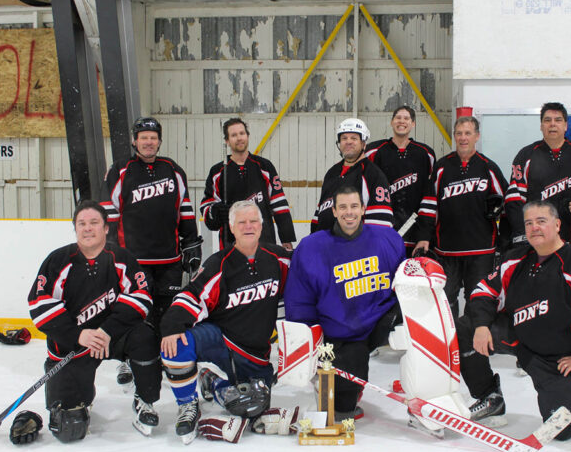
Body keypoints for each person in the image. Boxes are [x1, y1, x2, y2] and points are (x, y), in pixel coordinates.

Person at [457, 200, 571, 440]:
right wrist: (481, 326)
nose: (534, 228)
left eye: (541, 221)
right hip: (520, 340)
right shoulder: (514, 260)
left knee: (563, 429)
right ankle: (490, 397)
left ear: (558, 224)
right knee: (465, 329)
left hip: (557, 358)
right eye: (529, 223)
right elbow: (483, 292)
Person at [27, 200, 162, 442]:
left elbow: (142, 297)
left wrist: (107, 330)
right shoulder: (58, 260)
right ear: (75, 228)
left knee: (144, 336)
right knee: (69, 429)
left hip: (113, 336)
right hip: (75, 343)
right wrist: (78, 335)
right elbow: (39, 304)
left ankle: (145, 399)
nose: (87, 228)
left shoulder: (122, 258)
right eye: (82, 223)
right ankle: (81, 397)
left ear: (106, 228)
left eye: (94, 223)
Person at [160, 200, 291, 444]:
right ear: (231, 227)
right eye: (242, 222)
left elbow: (309, 269)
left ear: (262, 225)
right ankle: (187, 404)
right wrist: (171, 326)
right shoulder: (219, 263)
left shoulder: (279, 259)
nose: (248, 226)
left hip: (255, 354)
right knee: (176, 345)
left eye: (253, 221)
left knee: (252, 406)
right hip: (221, 339)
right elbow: (191, 295)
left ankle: (212, 382)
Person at [286, 185, 405, 419]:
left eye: (353, 206)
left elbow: (402, 284)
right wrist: (311, 344)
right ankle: (341, 383)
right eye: (342, 207)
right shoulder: (312, 248)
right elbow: (299, 300)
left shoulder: (388, 239)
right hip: (340, 335)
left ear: (363, 209)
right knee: (343, 409)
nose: (348, 212)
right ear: (334, 211)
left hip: (377, 322)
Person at [101, 117, 202, 386]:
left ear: (159, 141)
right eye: (143, 137)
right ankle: (127, 358)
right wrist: (110, 250)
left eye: (153, 137)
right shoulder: (120, 170)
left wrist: (191, 241)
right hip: (133, 261)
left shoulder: (173, 169)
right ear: (135, 141)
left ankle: (163, 357)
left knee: (166, 312)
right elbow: (108, 211)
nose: (148, 142)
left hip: (169, 259)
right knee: (134, 311)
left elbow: (185, 208)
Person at [413, 116, 508, 316]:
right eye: (459, 133)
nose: (463, 138)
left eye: (468, 133)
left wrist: (505, 239)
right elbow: (429, 206)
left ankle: (474, 336)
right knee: (445, 300)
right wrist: (424, 237)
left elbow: (506, 203)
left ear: (477, 136)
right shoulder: (441, 167)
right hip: (447, 251)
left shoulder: (488, 167)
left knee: (478, 299)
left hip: (482, 251)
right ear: (454, 136)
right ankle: (451, 335)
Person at [505, 102, 571, 248]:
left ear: (565, 125)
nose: (552, 124)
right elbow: (514, 199)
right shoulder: (526, 155)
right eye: (547, 120)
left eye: (558, 120)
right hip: (538, 242)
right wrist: (524, 234)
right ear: (541, 126)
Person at [200, 118, 296, 250]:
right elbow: (206, 206)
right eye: (234, 135)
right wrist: (215, 211)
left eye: (242, 133)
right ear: (227, 141)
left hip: (265, 245)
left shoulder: (265, 167)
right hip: (231, 247)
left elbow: (279, 204)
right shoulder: (217, 172)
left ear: (248, 136)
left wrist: (286, 237)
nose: (239, 138)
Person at [366, 105, 436, 255]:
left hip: (415, 235)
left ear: (413, 123)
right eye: (398, 118)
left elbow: (429, 197)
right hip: (382, 232)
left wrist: (424, 235)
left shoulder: (426, 154)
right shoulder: (373, 152)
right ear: (392, 122)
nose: (401, 121)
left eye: (406, 118)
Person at [311, 118, 393, 232]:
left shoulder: (374, 175)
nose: (348, 142)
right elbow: (321, 211)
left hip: (355, 242)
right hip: (326, 241)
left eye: (354, 138)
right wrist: (314, 237)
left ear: (363, 143)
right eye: (344, 138)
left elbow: (381, 223)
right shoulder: (331, 172)